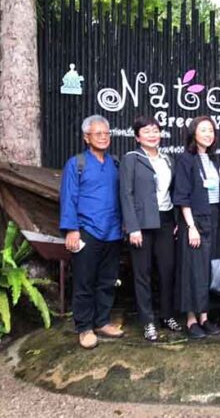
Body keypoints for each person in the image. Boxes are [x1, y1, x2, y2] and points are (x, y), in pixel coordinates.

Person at [60, 115, 124, 349]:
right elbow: (68, 198)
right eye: (98, 134)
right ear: (86, 137)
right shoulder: (76, 164)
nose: (103, 137)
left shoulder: (115, 164)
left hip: (113, 231)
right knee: (84, 282)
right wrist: (71, 230)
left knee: (107, 280)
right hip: (87, 230)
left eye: (107, 133)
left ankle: (102, 321)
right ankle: (85, 328)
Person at [119, 116, 182, 342]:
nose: (152, 135)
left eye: (155, 130)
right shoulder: (131, 159)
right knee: (142, 273)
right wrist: (133, 228)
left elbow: (173, 192)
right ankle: (147, 321)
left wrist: (176, 220)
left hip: (165, 221)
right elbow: (126, 194)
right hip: (142, 224)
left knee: (167, 270)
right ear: (137, 137)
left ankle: (167, 315)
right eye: (146, 131)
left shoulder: (168, 160)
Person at [173, 116, 220, 339]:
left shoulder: (213, 159)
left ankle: (204, 317)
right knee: (193, 270)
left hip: (214, 219)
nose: (208, 134)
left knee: (209, 269)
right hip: (195, 220)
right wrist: (191, 226)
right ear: (193, 133)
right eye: (203, 130)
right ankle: (191, 319)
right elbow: (182, 196)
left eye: (211, 130)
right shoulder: (186, 159)